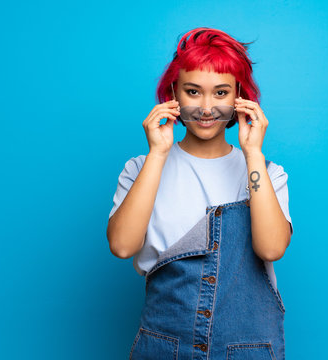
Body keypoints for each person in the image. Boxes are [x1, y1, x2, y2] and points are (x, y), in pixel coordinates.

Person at [107, 27, 293, 359]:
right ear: (173, 95)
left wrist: (252, 153)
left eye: (221, 93)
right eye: (193, 92)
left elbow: (271, 247)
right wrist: (158, 154)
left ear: (240, 97)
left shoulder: (267, 174)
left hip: (246, 350)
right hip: (165, 348)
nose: (206, 108)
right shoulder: (140, 169)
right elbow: (122, 246)